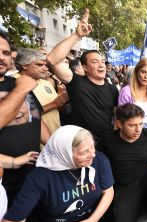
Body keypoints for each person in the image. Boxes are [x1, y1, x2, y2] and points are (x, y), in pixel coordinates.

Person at [0, 125, 114, 222]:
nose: (93, 154)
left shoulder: (98, 160)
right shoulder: (40, 178)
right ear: (65, 153)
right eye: (84, 152)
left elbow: (108, 192)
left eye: (92, 148)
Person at [46, 9, 119, 144]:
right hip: (78, 145)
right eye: (94, 62)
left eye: (102, 61)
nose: (101, 65)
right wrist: (77, 35)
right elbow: (52, 59)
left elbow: (116, 118)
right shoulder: (75, 82)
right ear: (85, 67)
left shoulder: (113, 89)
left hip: (106, 145)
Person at [0, 31, 49, 206]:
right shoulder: (21, 85)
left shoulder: (17, 82)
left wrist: (53, 147)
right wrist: (20, 90)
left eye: (6, 53)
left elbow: (36, 119)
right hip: (4, 177)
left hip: (31, 171)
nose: (2, 58)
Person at [118, 58, 147, 132]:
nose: (146, 77)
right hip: (130, 131)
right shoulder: (126, 91)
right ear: (137, 72)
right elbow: (121, 117)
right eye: (143, 72)